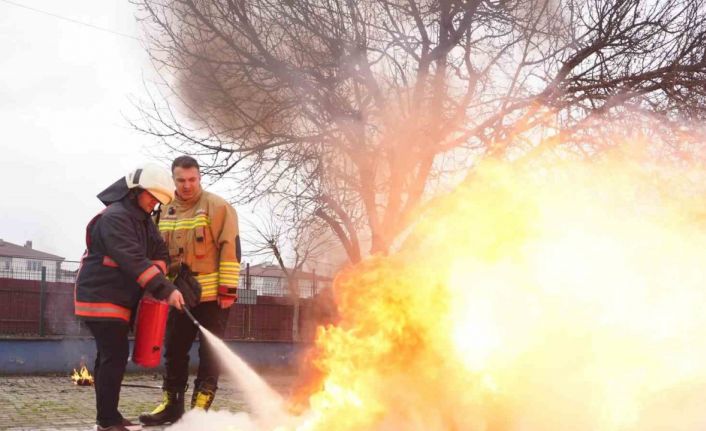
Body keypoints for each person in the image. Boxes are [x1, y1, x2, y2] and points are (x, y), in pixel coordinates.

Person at [75, 164, 185, 431]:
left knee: (109, 356)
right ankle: (108, 420)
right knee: (114, 354)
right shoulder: (115, 217)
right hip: (101, 296)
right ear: (136, 190)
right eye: (152, 198)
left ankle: (108, 416)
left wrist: (158, 271)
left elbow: (160, 251)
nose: (154, 205)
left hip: (117, 298)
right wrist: (166, 289)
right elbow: (132, 259)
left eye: (158, 202)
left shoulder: (143, 221)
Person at [139, 155, 241, 426]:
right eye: (181, 180)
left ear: (200, 177)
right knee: (173, 351)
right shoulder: (163, 209)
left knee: (210, 353)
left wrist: (228, 291)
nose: (186, 186)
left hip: (212, 299)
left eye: (192, 179)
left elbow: (231, 249)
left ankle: (199, 412)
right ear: (173, 180)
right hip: (177, 297)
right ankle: (171, 406)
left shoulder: (218, 207)